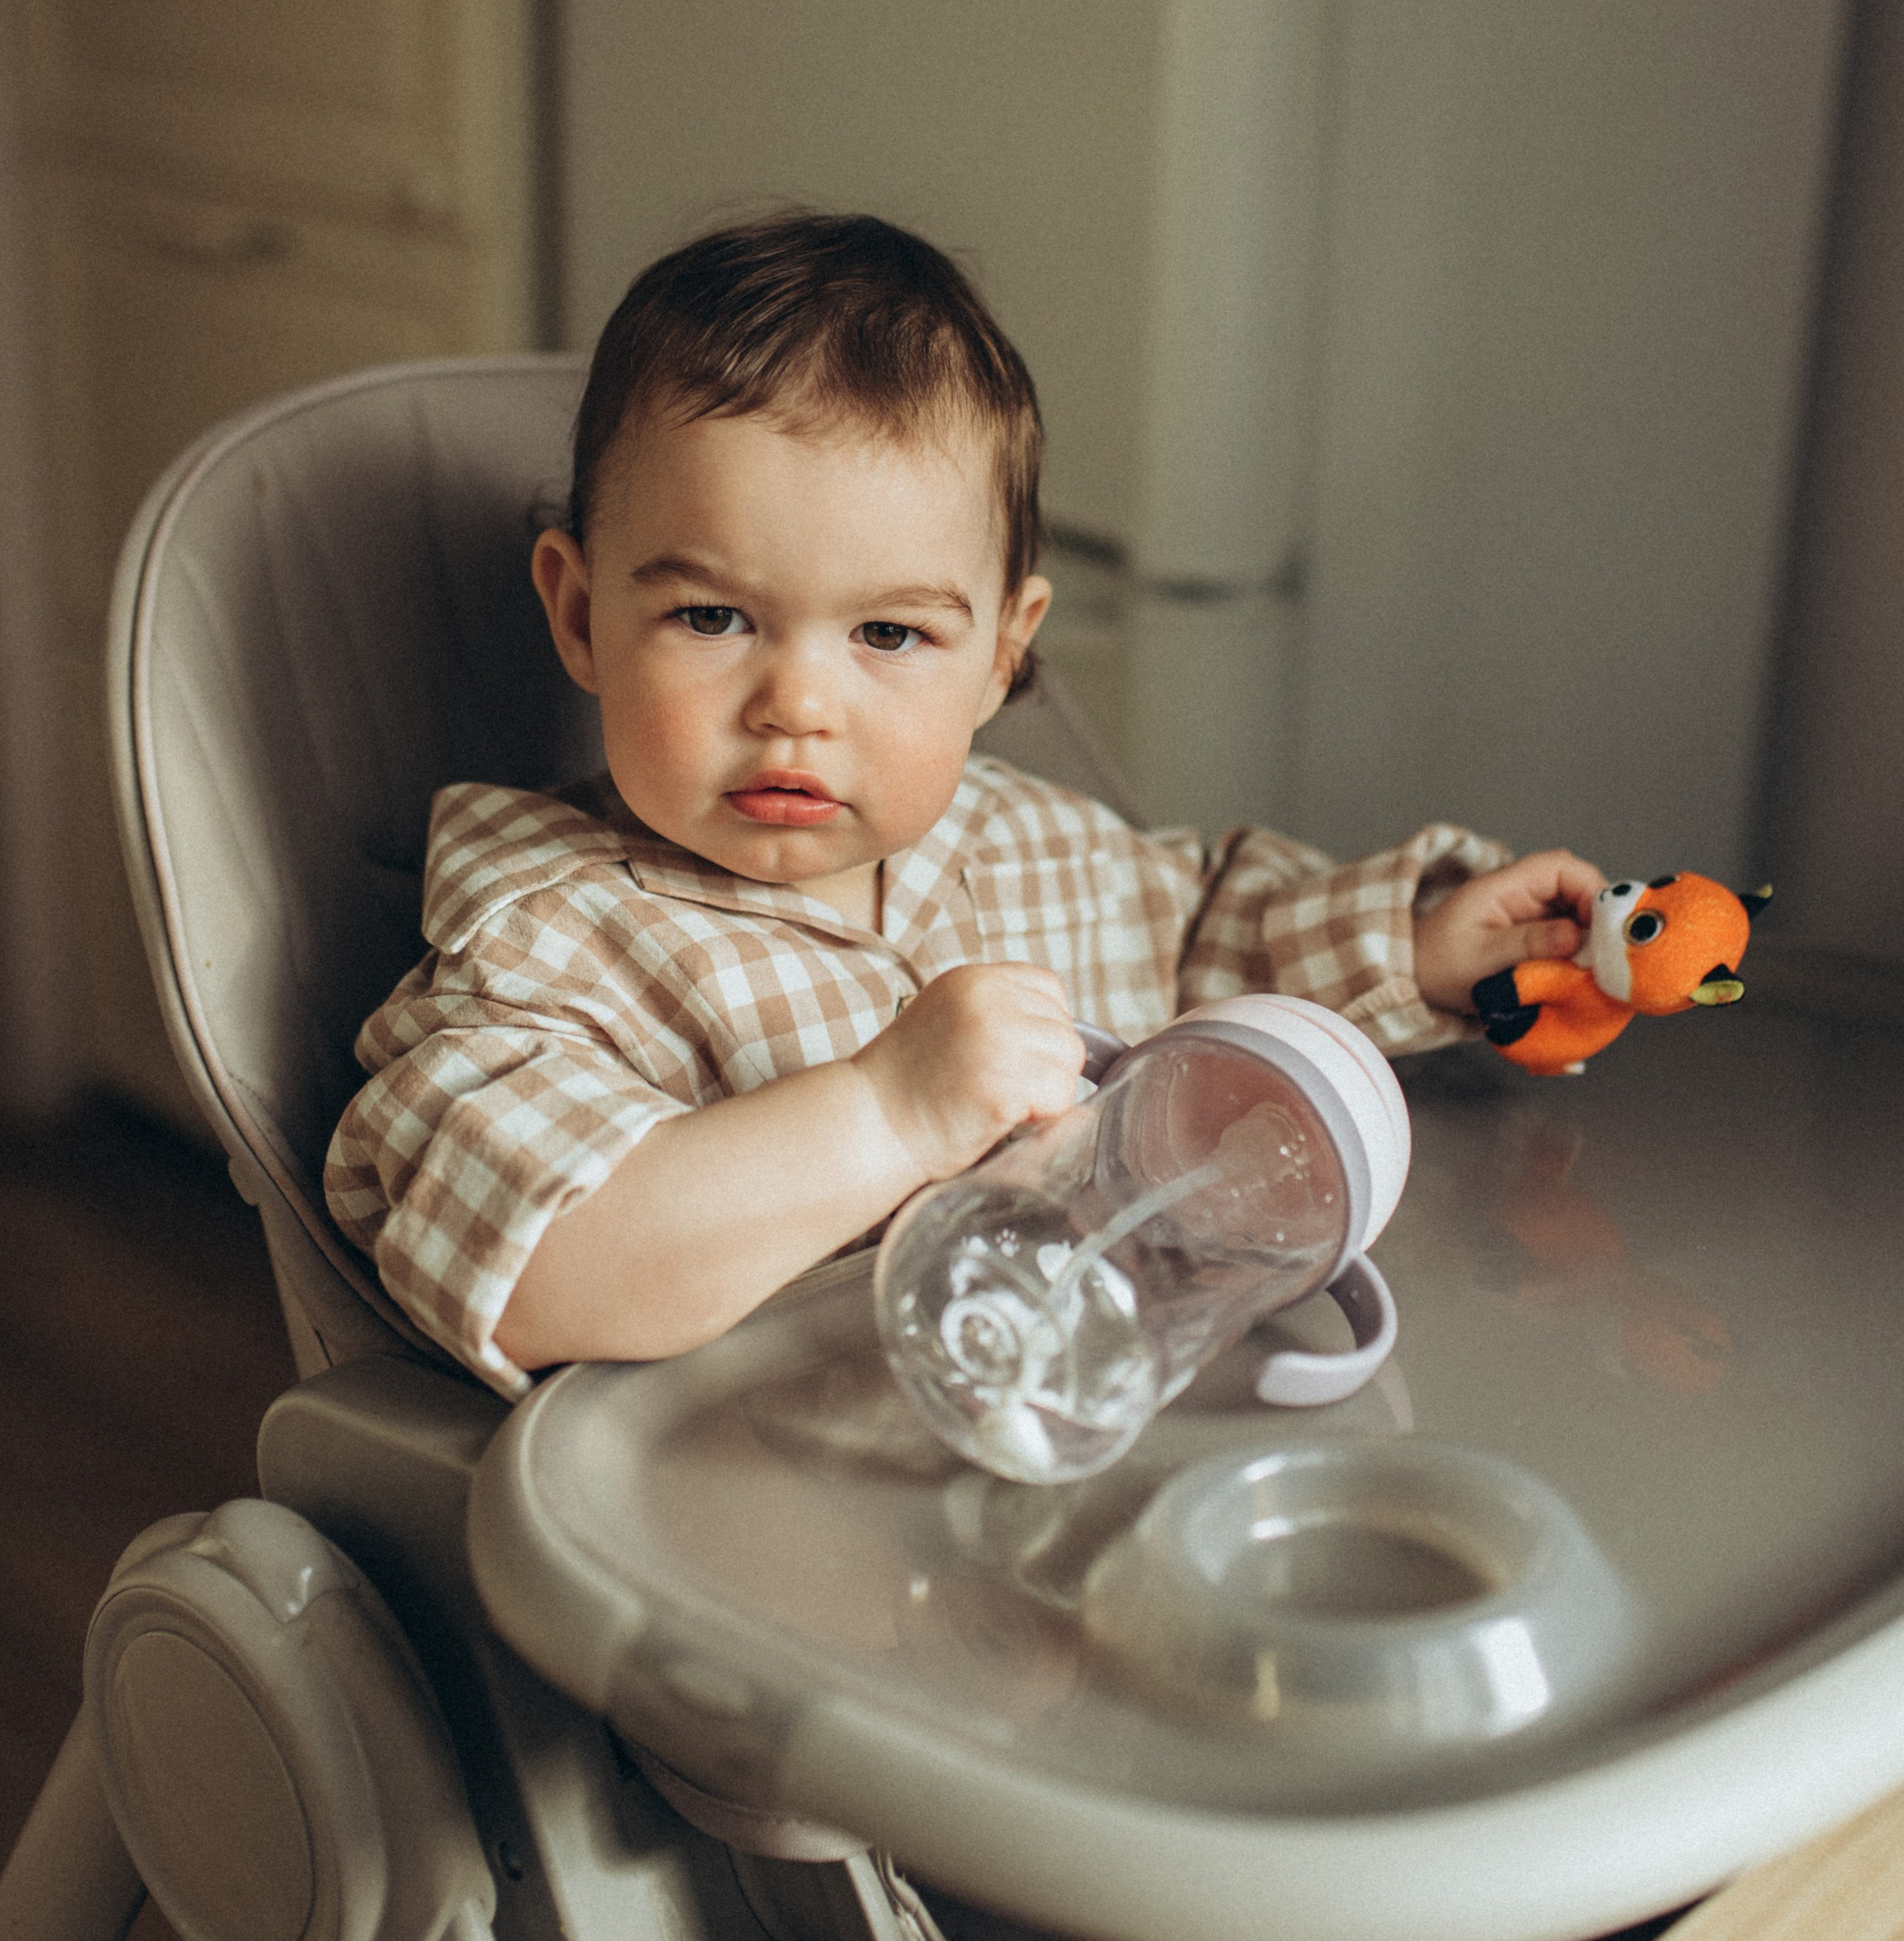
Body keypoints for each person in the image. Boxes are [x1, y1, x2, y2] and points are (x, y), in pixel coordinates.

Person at [325, 213, 1600, 1396]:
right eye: (712, 617)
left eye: (889, 632)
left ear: (1003, 651)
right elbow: (545, 1267)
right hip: (760, 1531)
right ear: (579, 612)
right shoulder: (541, 947)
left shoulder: (1029, 849)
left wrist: (1425, 947)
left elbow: (1224, 938)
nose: (797, 705)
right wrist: (887, 1111)